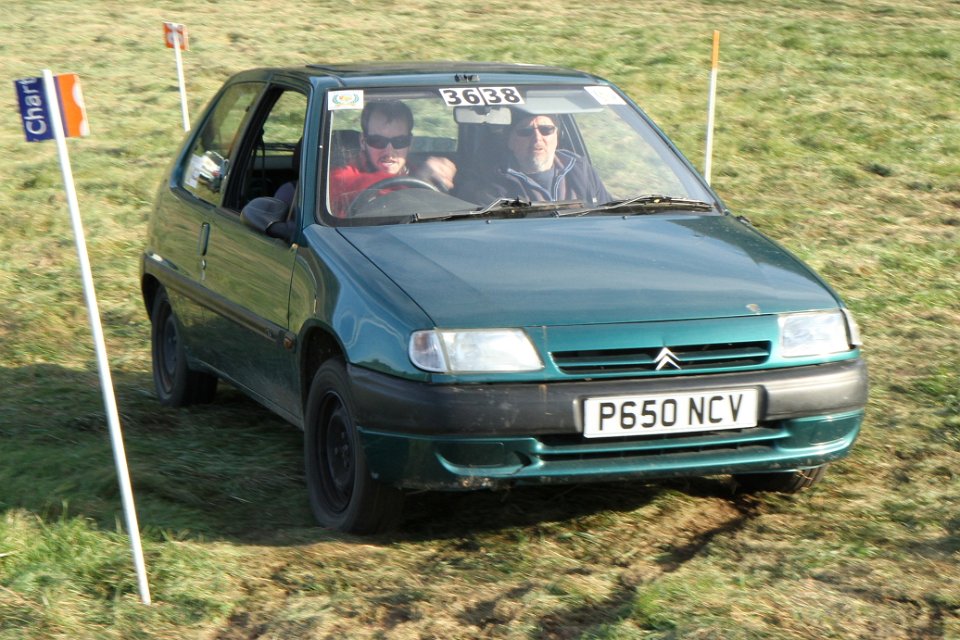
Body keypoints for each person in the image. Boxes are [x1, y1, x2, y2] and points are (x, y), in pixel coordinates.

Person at [454, 112, 611, 206]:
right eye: (526, 132)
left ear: (557, 135)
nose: (537, 139)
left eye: (546, 130)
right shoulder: (491, 178)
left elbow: (609, 213)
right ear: (510, 141)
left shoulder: (580, 168)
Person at [328, 100, 455, 216]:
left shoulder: (421, 173)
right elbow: (338, 185)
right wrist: (417, 181)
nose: (389, 152)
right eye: (377, 141)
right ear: (363, 141)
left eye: (399, 141)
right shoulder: (342, 175)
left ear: (410, 142)